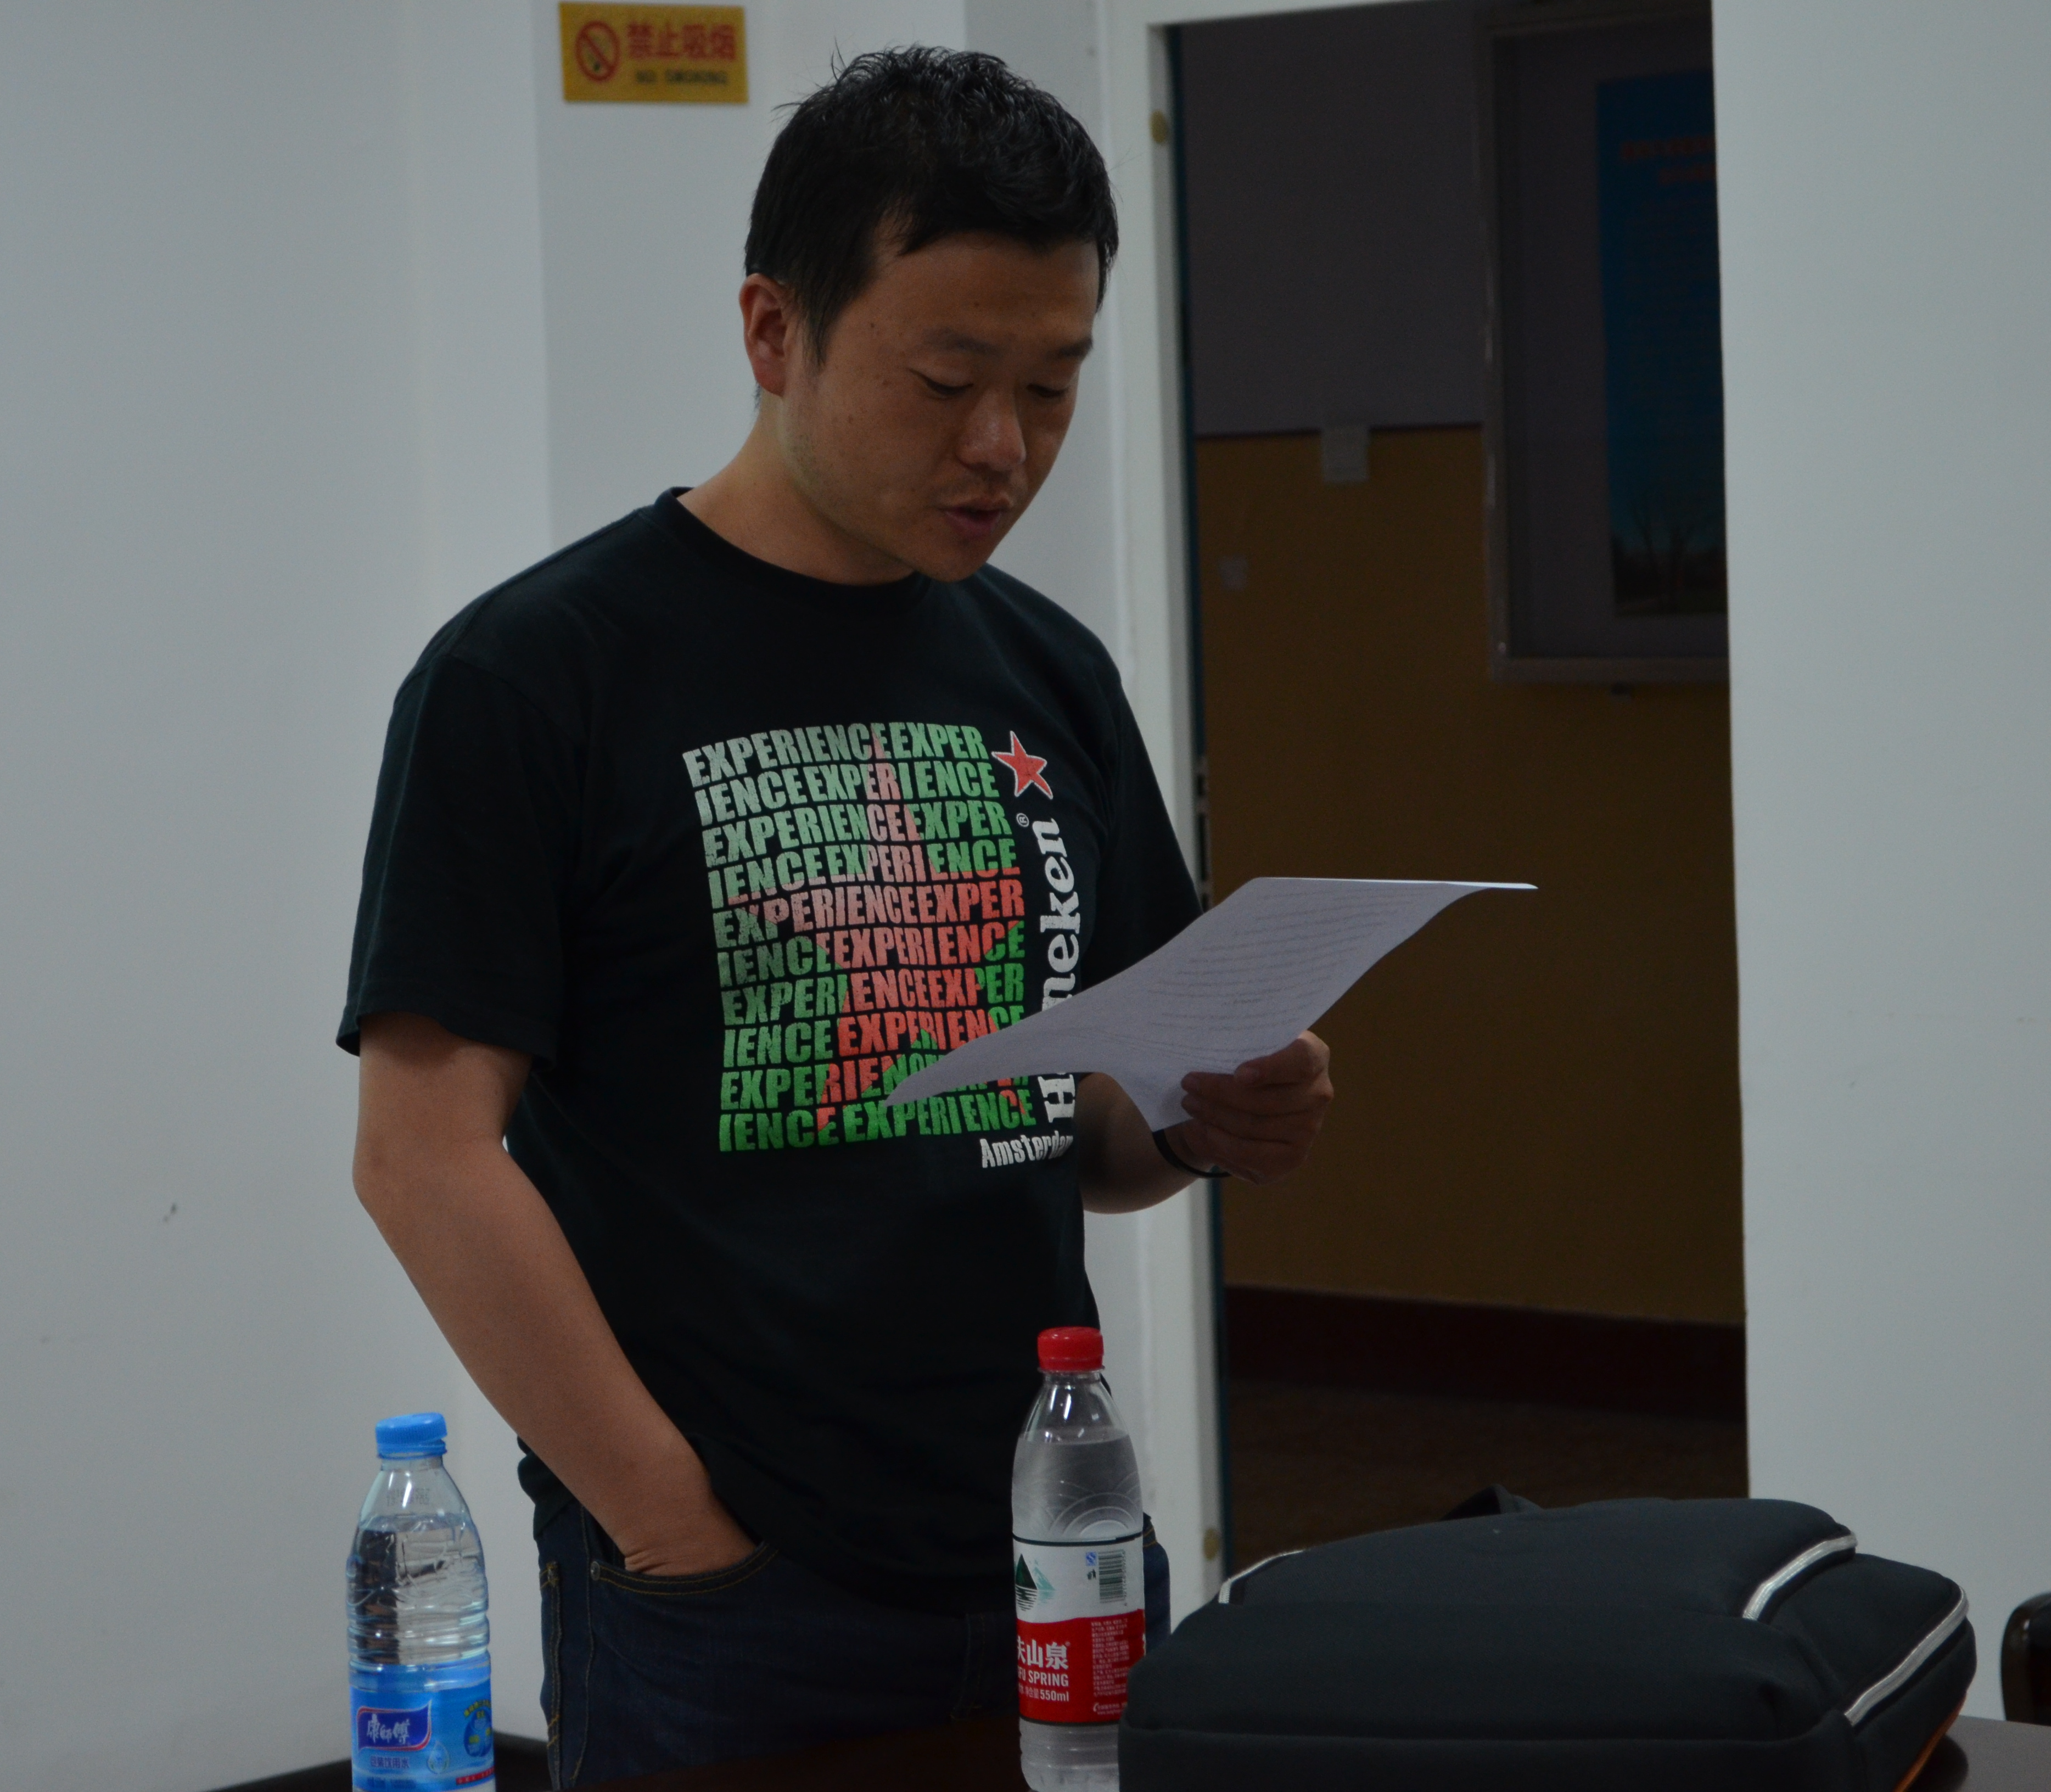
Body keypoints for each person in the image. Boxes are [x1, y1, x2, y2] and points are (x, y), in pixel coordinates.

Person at [339, 46, 1333, 1787]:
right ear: (772, 332)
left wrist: (1207, 1118)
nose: (1001, 446)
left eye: (1051, 385)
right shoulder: (537, 675)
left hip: (1052, 1529)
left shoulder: (1047, 670)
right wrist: (671, 1524)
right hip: (726, 1589)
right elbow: (423, 1159)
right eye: (945, 379)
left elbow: (1083, 1122)